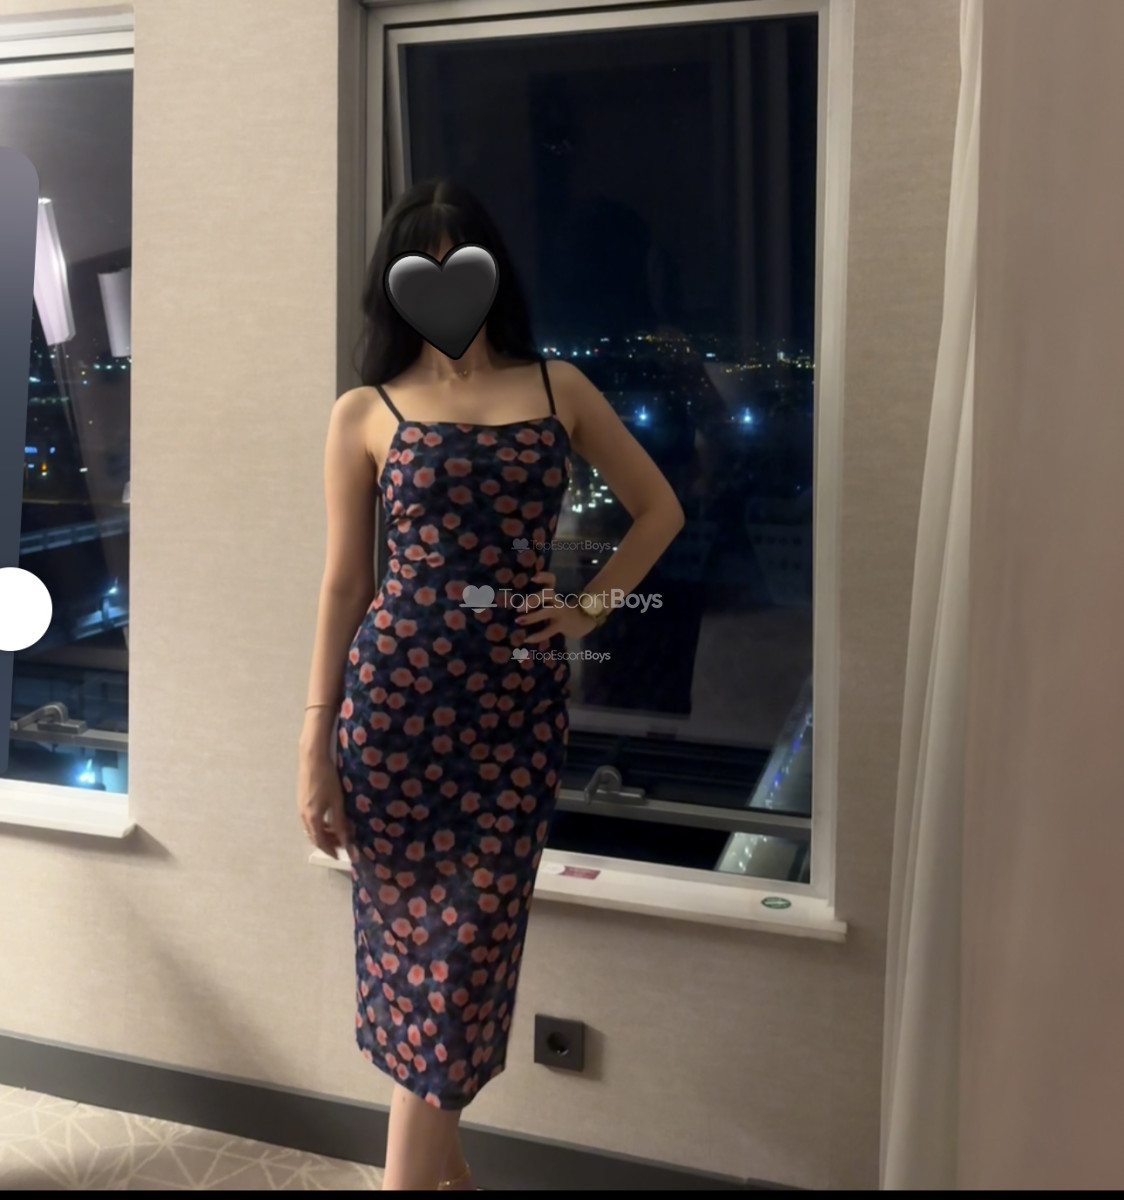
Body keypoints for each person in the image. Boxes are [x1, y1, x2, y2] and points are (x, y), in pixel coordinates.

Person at [296, 179, 684, 1191]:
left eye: (457, 259)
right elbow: (345, 585)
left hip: (514, 714)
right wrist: (312, 746)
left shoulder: (559, 388)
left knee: (466, 956)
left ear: (492, 273)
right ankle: (444, 1177)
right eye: (419, 263)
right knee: (413, 962)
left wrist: (587, 607)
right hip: (391, 714)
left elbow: (658, 510)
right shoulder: (365, 411)